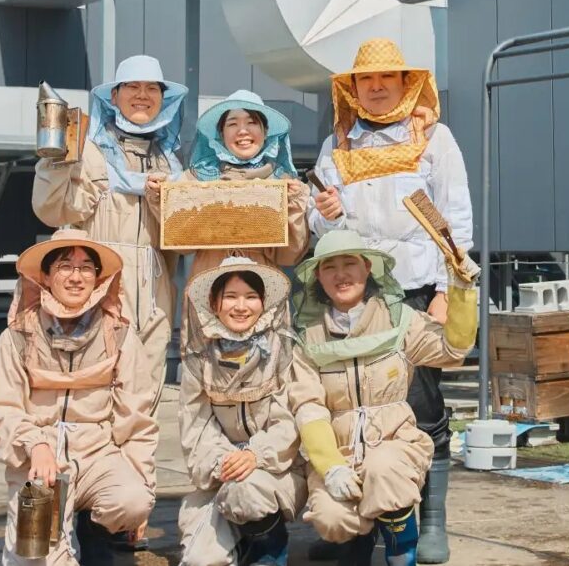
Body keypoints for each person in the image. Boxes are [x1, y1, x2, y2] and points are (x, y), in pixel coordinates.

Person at [308, 39, 472, 562]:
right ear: (351, 89)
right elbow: (320, 225)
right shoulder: (339, 143)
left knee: (421, 404)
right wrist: (327, 210)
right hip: (358, 293)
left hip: (419, 289)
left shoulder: (434, 138)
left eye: (387, 79)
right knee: (355, 404)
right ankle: (362, 524)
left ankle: (431, 520)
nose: (376, 88)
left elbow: (455, 219)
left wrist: (447, 291)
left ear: (407, 84)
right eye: (366, 80)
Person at [288, 231, 476, 566]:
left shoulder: (399, 319)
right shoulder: (309, 338)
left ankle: (401, 552)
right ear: (318, 277)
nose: (341, 274)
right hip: (340, 452)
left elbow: (453, 348)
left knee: (383, 469)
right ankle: (355, 540)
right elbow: (309, 408)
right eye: (330, 267)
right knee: (332, 518)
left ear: (368, 269)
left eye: (350, 264)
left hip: (395, 443)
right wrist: (330, 467)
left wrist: (461, 292)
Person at [0, 228, 159, 566]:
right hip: (40, 464)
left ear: (98, 279)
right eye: (65, 266)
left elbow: (136, 420)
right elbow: (1, 412)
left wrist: (144, 486)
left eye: (86, 268)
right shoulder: (17, 337)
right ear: (46, 277)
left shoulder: (121, 336)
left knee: (133, 500)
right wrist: (35, 444)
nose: (76, 277)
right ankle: (54, 538)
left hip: (97, 455)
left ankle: (94, 536)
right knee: (34, 558)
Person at [33, 53, 187, 416]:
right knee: (91, 393)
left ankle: (137, 472)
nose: (142, 95)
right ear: (114, 96)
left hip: (154, 296)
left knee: (144, 397)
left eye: (152, 88)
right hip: (97, 284)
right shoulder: (88, 149)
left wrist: (163, 205)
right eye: (132, 86)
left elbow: (182, 239)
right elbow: (52, 210)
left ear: (164, 99)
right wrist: (55, 163)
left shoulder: (171, 160)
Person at [177, 256, 306, 566]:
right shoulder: (199, 355)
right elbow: (195, 426)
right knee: (199, 561)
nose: (241, 306)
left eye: (251, 297)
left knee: (247, 492)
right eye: (231, 297)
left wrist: (254, 455)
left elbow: (289, 421)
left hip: (276, 469)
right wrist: (225, 460)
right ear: (214, 302)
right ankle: (241, 541)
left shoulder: (285, 348)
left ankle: (270, 548)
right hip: (222, 470)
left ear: (263, 302)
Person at [179, 90, 312, 347]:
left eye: (252, 122)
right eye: (233, 123)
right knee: (206, 372)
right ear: (220, 134)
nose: (243, 131)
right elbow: (181, 246)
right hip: (208, 290)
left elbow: (290, 255)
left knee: (265, 371)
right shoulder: (194, 179)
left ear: (265, 132)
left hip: (263, 291)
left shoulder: (285, 182)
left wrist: (294, 205)